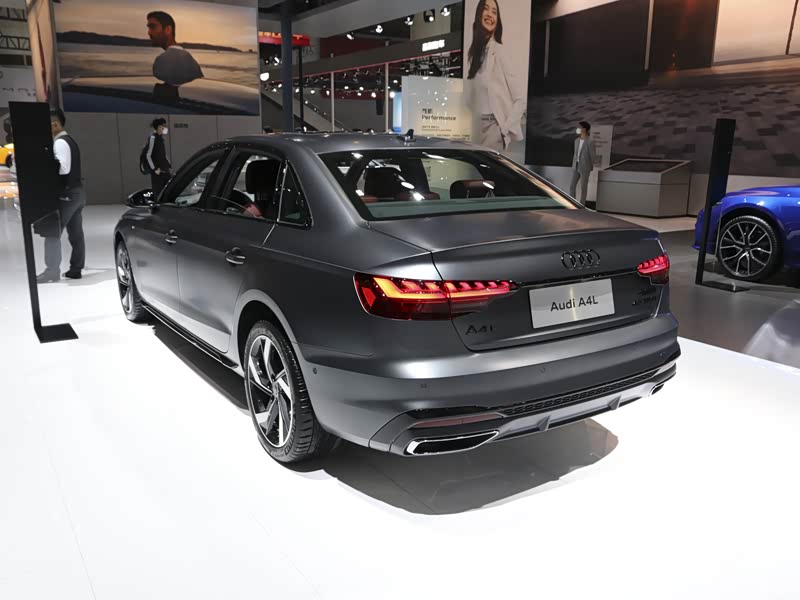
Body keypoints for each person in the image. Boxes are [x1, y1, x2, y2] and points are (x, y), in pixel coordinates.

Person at [466, 0, 526, 152]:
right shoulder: (474, 56)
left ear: (498, 20)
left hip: (493, 128)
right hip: (474, 128)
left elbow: (521, 99)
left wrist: (504, 129)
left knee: (487, 168)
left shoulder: (500, 52)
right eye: (486, 9)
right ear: (479, 13)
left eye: (494, 12)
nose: (490, 14)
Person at [38, 109, 85, 283]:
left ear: (55, 123)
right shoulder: (70, 141)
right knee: (76, 234)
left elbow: (63, 168)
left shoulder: (59, 143)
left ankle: (52, 271)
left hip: (67, 194)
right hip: (78, 192)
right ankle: (76, 269)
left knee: (52, 232)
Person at [147, 11, 203, 87]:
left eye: (153, 27)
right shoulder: (193, 61)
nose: (149, 32)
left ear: (168, 29)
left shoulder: (162, 60)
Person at [570, 121, 596, 206]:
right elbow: (575, 154)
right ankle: (572, 203)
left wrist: (590, 167)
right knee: (572, 186)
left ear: (584, 129)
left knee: (583, 187)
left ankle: (582, 205)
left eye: (579, 127)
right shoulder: (576, 141)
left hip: (585, 167)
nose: (578, 129)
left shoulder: (590, 141)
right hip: (576, 165)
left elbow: (593, 156)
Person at [146, 117, 172, 196]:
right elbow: (148, 155)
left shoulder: (161, 139)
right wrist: (154, 169)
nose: (165, 128)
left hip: (165, 170)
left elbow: (163, 154)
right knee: (158, 193)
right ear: (158, 127)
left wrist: (168, 165)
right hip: (158, 172)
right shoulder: (153, 138)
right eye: (163, 126)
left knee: (168, 190)